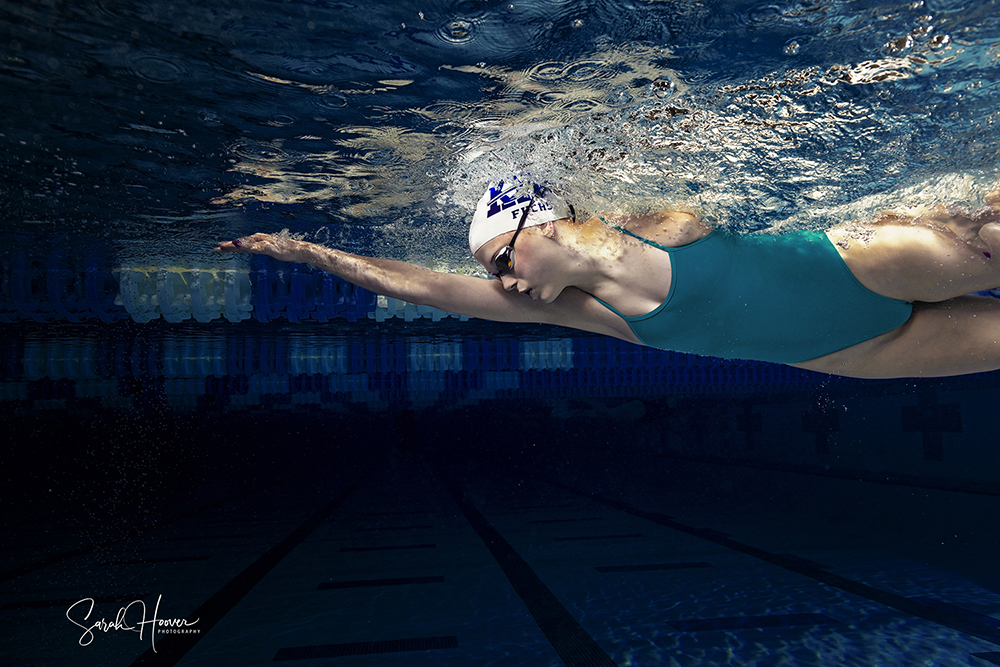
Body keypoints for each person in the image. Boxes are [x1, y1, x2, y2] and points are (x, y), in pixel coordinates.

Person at [215, 178, 1000, 379]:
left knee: (987, 232)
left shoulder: (653, 215)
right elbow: (420, 286)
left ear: (543, 224)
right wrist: (312, 253)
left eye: (501, 261)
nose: (504, 284)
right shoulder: (583, 312)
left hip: (845, 262)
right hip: (854, 352)